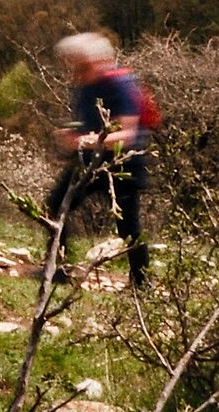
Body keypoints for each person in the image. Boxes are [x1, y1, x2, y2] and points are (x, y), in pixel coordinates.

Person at [44, 31, 155, 288]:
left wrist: (86, 141)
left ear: (95, 61)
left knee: (128, 227)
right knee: (56, 206)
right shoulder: (85, 87)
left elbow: (127, 134)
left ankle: (142, 283)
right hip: (90, 162)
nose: (75, 71)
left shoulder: (121, 85)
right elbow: (86, 126)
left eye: (79, 64)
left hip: (123, 164)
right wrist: (73, 141)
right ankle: (57, 269)